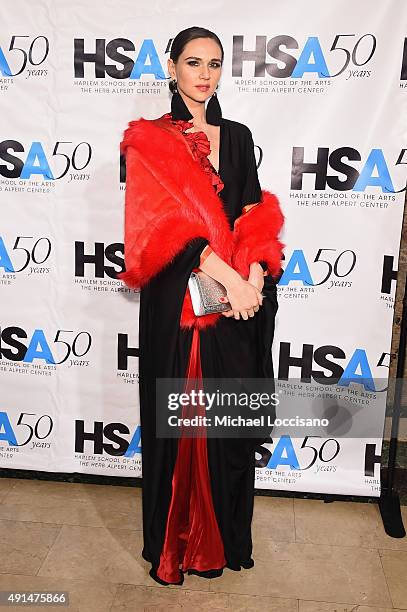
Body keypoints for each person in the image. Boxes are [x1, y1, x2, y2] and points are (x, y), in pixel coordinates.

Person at [118, 26, 285, 586]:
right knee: (184, 422)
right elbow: (161, 228)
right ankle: (177, 546)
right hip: (180, 308)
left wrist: (256, 276)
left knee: (225, 428)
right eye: (194, 62)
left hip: (237, 307)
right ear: (172, 68)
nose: (206, 73)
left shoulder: (237, 137)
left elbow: (254, 212)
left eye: (215, 63)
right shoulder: (148, 139)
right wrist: (229, 282)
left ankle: (221, 541)